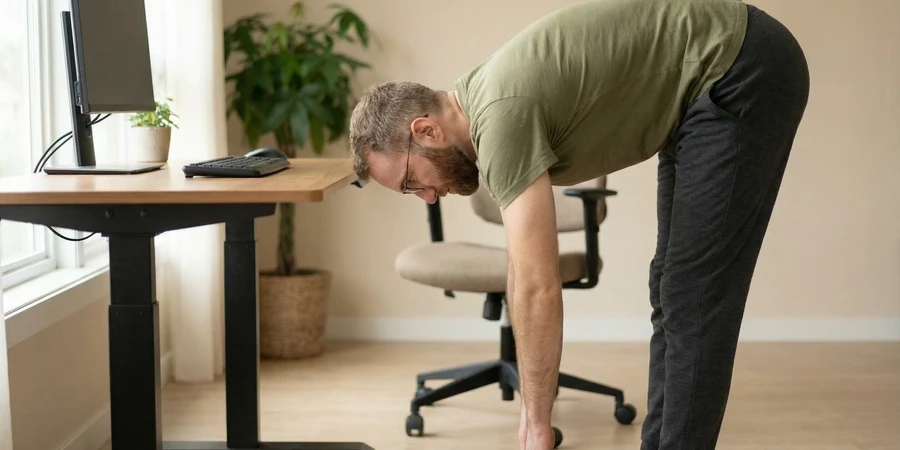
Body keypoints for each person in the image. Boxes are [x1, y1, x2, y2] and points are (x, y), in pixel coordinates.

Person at [348, 0, 809, 448]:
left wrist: (536, 426)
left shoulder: (499, 116)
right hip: (695, 98)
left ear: (426, 130)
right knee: (671, 286)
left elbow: (537, 285)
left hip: (740, 65)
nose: (426, 197)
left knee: (696, 294)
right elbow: (521, 269)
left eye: (411, 182)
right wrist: (532, 417)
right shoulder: (484, 110)